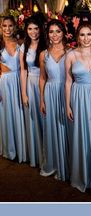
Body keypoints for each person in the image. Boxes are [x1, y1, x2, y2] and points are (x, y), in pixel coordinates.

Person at [65, 22, 91, 192]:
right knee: (81, 134)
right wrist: (68, 105)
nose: (86, 38)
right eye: (82, 35)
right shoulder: (71, 55)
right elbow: (68, 82)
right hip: (79, 97)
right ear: (77, 37)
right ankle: (82, 175)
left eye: (89, 34)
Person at [39, 19, 69, 181]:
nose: (55, 35)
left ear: (63, 32)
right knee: (52, 128)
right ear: (48, 34)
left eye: (58, 31)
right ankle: (55, 163)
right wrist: (42, 100)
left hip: (66, 93)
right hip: (50, 94)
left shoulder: (71, 52)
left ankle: (68, 164)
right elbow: (42, 79)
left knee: (66, 128)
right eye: (51, 31)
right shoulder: (43, 54)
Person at [20, 16, 46, 167]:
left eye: (36, 28)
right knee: (35, 120)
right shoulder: (24, 47)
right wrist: (24, 93)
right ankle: (38, 156)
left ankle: (50, 154)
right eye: (30, 29)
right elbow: (23, 71)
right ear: (26, 30)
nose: (33, 32)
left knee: (46, 118)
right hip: (30, 85)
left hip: (44, 84)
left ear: (40, 29)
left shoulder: (46, 44)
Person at [0, 16, 27, 162]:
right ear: (1, 27)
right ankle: (10, 149)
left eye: (10, 26)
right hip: (5, 81)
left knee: (20, 113)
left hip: (19, 80)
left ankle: (22, 148)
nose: (7, 29)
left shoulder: (20, 43)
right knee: (8, 114)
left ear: (14, 26)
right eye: (4, 26)